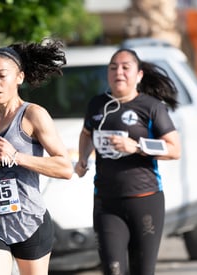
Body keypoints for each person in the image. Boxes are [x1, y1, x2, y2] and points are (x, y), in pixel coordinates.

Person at [0, 39, 74, 275]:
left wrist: (17, 156)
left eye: (2, 75)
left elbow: (64, 167)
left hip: (29, 222)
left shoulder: (33, 116)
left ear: (19, 77)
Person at [74, 48, 181, 275]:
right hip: (106, 202)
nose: (118, 72)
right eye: (113, 67)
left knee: (143, 271)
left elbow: (174, 149)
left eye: (125, 67)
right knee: (113, 270)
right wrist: (83, 158)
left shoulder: (151, 107)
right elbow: (86, 134)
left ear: (139, 75)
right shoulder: (97, 104)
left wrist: (138, 147)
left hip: (144, 200)